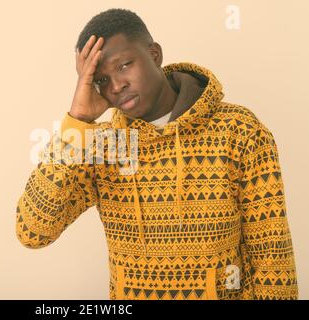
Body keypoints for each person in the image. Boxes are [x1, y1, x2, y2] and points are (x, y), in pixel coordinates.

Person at [15, 8, 298, 300]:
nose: (116, 85)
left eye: (124, 65)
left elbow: (271, 255)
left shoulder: (239, 130)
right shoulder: (102, 146)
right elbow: (33, 231)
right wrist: (77, 122)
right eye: (100, 80)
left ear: (154, 54)